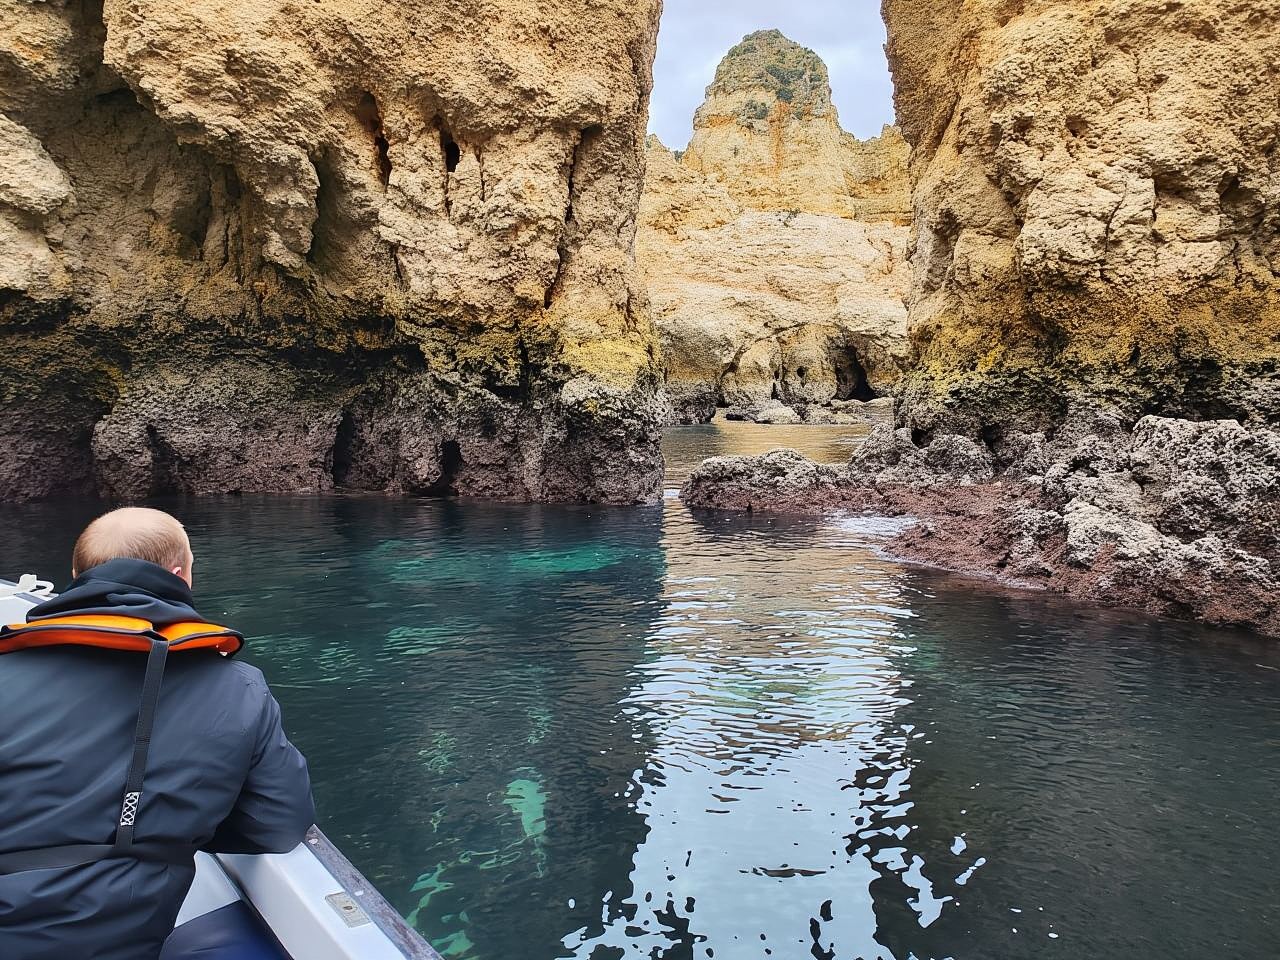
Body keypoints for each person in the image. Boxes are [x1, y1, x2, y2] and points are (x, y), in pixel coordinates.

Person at [0, 507, 315, 959]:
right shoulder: (238, 687)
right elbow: (279, 823)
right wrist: (175, 823)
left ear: (75, 575)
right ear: (181, 576)